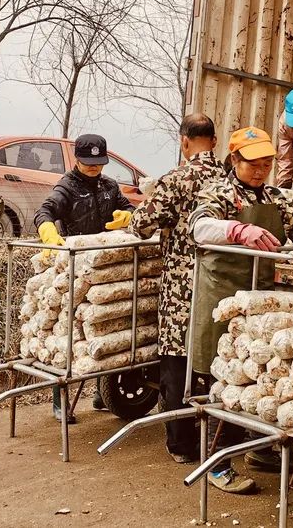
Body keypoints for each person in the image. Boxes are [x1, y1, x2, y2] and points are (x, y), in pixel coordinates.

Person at [189, 126, 293, 494]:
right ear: (234, 159)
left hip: (261, 301)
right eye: (253, 162)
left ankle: (259, 450)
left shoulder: (275, 197)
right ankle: (216, 461)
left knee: (257, 375)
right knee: (220, 379)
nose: (261, 169)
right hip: (222, 297)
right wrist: (237, 231)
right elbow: (199, 228)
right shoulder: (217, 193)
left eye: (267, 162)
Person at [128, 113, 228, 464]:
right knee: (218, 355)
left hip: (185, 283)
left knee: (177, 356)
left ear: (184, 141)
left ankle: (182, 443)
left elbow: (141, 224)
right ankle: (225, 436)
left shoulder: (177, 179)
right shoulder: (230, 179)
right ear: (215, 142)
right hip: (224, 283)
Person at [34, 133, 135, 421]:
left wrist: (128, 216)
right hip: (76, 270)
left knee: (104, 328)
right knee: (70, 333)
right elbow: (45, 210)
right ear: (77, 159)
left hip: (104, 269)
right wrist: (48, 231)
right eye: (88, 162)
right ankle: (59, 399)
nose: (93, 167)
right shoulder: (67, 186)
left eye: (98, 162)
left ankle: (103, 393)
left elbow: (128, 207)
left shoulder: (109, 185)